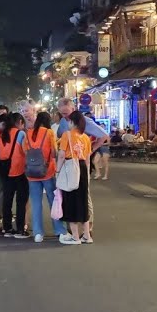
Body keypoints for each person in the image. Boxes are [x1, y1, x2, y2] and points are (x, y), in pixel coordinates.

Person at [54, 98, 108, 238]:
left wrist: (90, 151)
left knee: (84, 195)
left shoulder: (84, 121)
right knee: (70, 193)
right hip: (69, 165)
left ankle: (87, 228)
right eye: (62, 113)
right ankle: (74, 228)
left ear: (73, 108)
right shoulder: (63, 123)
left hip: (81, 164)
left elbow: (103, 136)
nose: (65, 116)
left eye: (67, 113)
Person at [24, 111, 65, 243]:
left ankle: (38, 233)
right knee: (54, 201)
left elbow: (25, 151)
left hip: (31, 173)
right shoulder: (49, 133)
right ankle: (59, 230)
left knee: (36, 204)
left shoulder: (28, 133)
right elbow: (53, 152)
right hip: (47, 171)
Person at [58, 110, 92, 245]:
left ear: (72, 122)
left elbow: (61, 155)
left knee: (70, 200)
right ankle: (87, 235)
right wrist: (88, 175)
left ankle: (75, 236)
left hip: (70, 167)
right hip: (83, 168)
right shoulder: (86, 138)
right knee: (83, 201)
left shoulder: (67, 135)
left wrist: (57, 170)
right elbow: (88, 158)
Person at [0, 112, 30, 239]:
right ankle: (20, 230)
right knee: (21, 201)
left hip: (5, 171)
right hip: (19, 170)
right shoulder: (20, 134)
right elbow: (26, 152)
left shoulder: (1, 135)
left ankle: (7, 228)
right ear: (19, 122)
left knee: (7, 200)